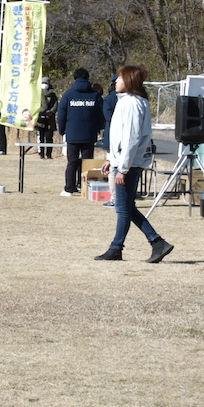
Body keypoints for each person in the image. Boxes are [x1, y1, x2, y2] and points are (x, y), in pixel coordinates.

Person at [95, 65, 174, 263]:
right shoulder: (134, 102)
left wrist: (122, 167)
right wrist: (111, 160)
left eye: (119, 79)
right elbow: (122, 138)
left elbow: (131, 138)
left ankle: (118, 247)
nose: (116, 82)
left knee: (123, 208)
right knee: (126, 207)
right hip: (126, 161)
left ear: (128, 81)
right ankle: (156, 242)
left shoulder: (130, 103)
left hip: (128, 163)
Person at [57, 68, 105, 196]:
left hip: (72, 134)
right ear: (88, 78)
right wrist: (98, 129)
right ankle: (85, 187)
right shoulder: (95, 96)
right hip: (89, 134)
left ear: (74, 78)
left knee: (72, 162)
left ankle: (69, 188)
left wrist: (61, 130)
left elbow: (61, 114)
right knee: (87, 161)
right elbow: (102, 115)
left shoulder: (68, 95)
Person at [35, 76, 58, 160]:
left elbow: (55, 105)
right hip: (40, 119)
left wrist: (51, 112)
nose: (44, 85)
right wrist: (42, 111)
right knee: (41, 137)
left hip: (50, 120)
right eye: (43, 83)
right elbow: (35, 105)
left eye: (46, 83)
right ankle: (41, 154)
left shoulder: (53, 95)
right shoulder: (37, 93)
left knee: (49, 138)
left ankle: (49, 154)